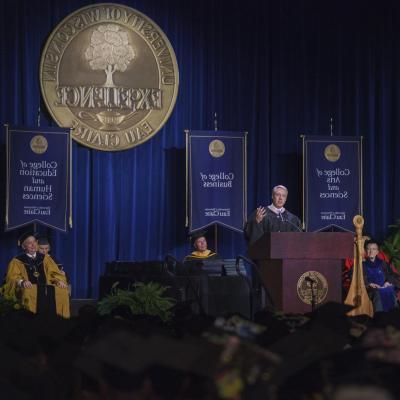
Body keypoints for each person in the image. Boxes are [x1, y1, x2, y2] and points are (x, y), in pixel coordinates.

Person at [5, 232, 70, 318]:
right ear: (24, 247)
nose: (33, 245)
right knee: (27, 291)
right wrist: (22, 281)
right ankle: (30, 321)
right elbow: (12, 276)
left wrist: (58, 280)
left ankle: (60, 321)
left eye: (34, 242)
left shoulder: (45, 258)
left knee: (63, 291)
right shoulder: (17, 261)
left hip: (46, 286)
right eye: (29, 243)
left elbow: (54, 273)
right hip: (31, 287)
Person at [363, 239, 399, 312]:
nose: (371, 251)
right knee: (379, 293)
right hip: (371, 290)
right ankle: (379, 318)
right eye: (368, 249)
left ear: (377, 252)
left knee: (390, 290)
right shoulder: (361, 265)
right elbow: (357, 278)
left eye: (373, 249)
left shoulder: (383, 263)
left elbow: (392, 274)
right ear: (365, 251)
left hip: (384, 287)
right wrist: (369, 284)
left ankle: (394, 318)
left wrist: (388, 282)